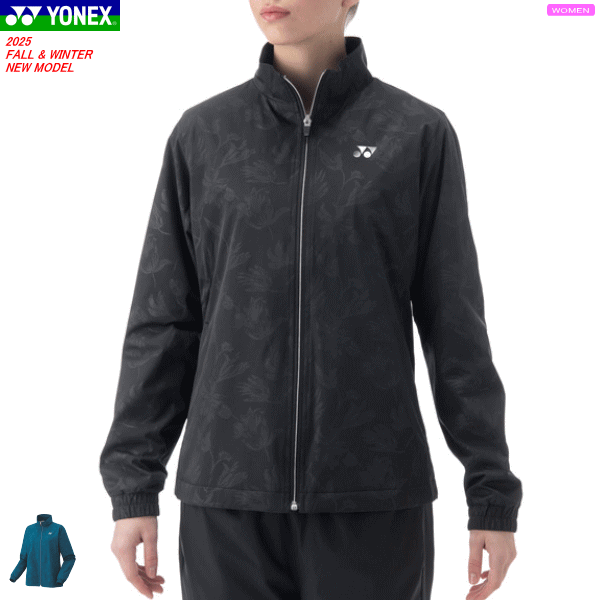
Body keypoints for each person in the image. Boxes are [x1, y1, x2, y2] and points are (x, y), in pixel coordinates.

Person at [99, 1, 523, 599]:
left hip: (373, 500)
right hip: (228, 503)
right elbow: (164, 322)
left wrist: (490, 494)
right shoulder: (205, 135)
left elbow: (455, 326)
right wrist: (133, 488)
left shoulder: (415, 134)